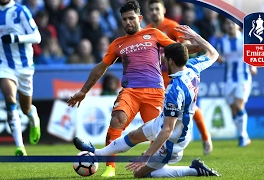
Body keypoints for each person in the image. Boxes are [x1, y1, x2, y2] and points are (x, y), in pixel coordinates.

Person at [66, 1, 201, 177]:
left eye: (131, 18)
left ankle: (160, 166)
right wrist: (84, 90)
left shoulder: (153, 33)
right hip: (130, 91)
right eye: (124, 19)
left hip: (155, 92)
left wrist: (198, 45)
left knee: (159, 134)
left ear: (140, 18)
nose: (128, 22)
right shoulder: (117, 44)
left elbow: (177, 49)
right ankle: (110, 168)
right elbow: (101, 67)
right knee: (117, 119)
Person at [146, 0, 212, 155]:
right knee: (158, 116)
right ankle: (155, 150)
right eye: (152, 9)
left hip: (176, 76)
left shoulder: (172, 26)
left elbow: (186, 46)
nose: (154, 12)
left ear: (163, 10)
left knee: (191, 108)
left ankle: (205, 136)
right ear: (149, 13)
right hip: (158, 79)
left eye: (157, 8)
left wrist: (172, 50)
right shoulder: (147, 31)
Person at [0, 0, 41, 156]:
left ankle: (33, 116)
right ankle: (20, 147)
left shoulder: (21, 11)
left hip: (24, 66)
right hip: (3, 64)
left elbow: (37, 36)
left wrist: (16, 38)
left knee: (25, 108)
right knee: (9, 100)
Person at [214, 18, 257, 146]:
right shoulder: (221, 42)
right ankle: (244, 136)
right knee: (233, 109)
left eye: (233, 23)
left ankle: (243, 136)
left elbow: (253, 55)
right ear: (225, 26)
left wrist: (253, 66)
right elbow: (218, 57)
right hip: (228, 79)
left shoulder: (246, 39)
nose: (230, 25)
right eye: (227, 23)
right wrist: (219, 59)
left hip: (243, 77)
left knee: (239, 106)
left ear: (238, 26)